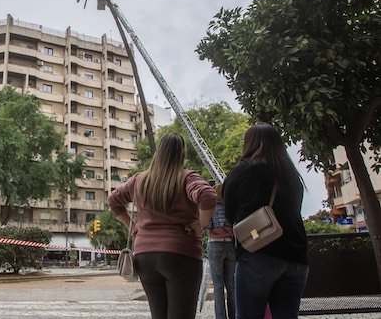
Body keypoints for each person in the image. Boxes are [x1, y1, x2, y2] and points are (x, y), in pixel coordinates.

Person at [109, 133, 216, 319]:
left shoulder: (139, 180)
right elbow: (207, 196)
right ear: (182, 153)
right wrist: (201, 225)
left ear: (158, 153)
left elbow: (113, 201)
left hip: (145, 257)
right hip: (181, 254)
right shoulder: (187, 178)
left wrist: (133, 227)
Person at [223, 123, 308, 318]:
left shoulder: (242, 170)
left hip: (258, 252)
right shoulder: (292, 175)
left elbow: (229, 213)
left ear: (249, 143)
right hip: (297, 257)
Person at [207, 183, 236, 319]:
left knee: (218, 285)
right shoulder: (231, 208)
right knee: (231, 284)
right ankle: (234, 315)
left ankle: (221, 317)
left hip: (215, 245)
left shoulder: (211, 208)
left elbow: (207, 225)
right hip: (230, 246)